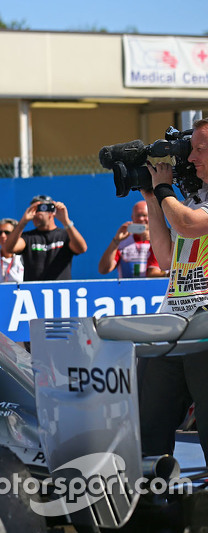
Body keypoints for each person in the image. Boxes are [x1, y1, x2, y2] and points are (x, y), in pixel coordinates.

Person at [139, 117, 208, 463]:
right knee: (149, 423)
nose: (191, 158)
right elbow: (166, 256)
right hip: (174, 323)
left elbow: (187, 225)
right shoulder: (194, 200)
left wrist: (166, 189)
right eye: (190, 148)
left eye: (200, 149)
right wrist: (152, 196)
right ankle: (154, 503)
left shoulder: (189, 210)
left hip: (205, 328)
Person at [1, 194, 87, 281]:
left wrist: (65, 221)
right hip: (34, 292)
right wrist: (23, 221)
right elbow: (9, 249)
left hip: (61, 291)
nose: (35, 214)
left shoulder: (65, 235)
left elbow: (81, 249)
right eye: (33, 209)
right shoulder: (28, 237)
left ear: (51, 211)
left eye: (40, 208)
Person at [97, 200, 158, 278]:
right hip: (128, 288)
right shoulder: (123, 241)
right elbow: (103, 270)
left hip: (156, 288)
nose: (141, 219)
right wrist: (116, 241)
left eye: (145, 215)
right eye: (138, 215)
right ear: (132, 217)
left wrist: (154, 240)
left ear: (152, 217)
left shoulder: (163, 239)